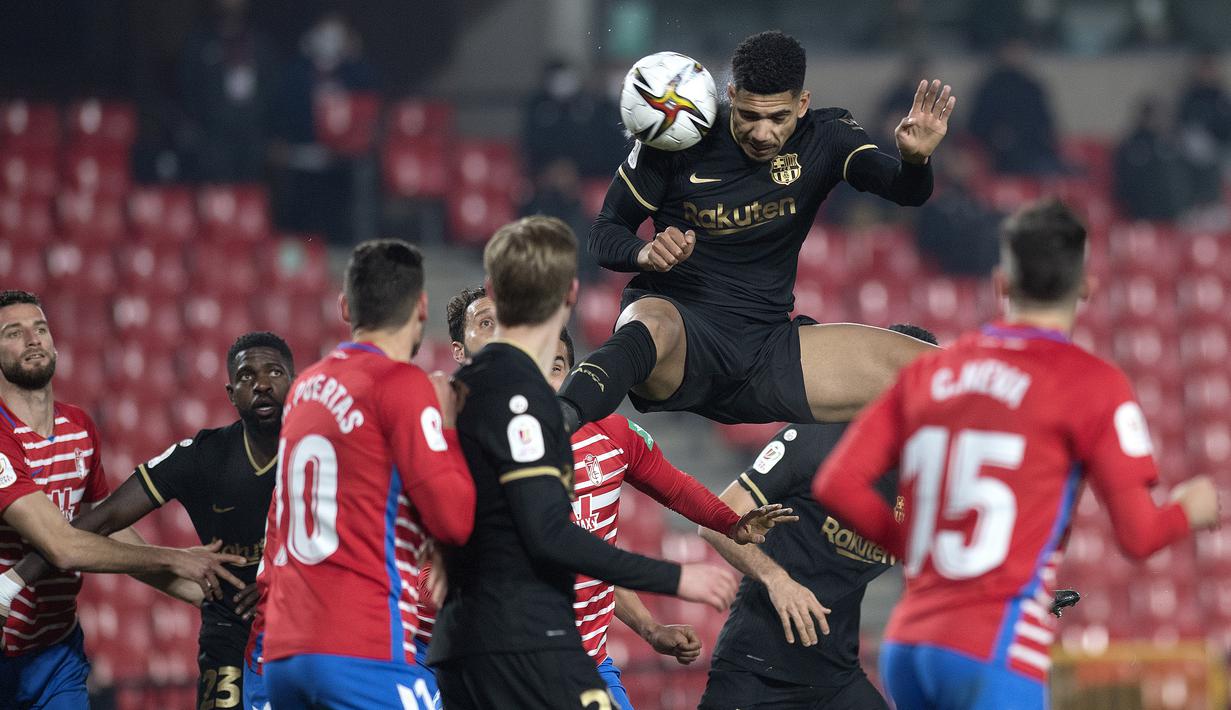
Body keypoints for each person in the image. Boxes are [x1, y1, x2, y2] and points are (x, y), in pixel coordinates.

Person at [813, 200, 1220, 709]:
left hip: (908, 645)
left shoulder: (931, 372)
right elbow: (1139, 537)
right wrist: (1191, 508)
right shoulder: (1092, 383)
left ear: (1002, 283)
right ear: (1086, 287)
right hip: (992, 647)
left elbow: (836, 483)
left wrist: (917, 548)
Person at [558, 30, 954, 434]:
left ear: (802, 104)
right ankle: (555, 422)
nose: (762, 133)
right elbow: (604, 233)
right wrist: (644, 253)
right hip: (684, 337)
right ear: (731, 94)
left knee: (935, 370)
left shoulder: (828, 137)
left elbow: (905, 192)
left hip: (768, 346)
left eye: (778, 117)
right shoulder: (679, 139)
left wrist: (916, 161)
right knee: (649, 322)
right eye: (749, 115)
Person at [429, 216, 739, 709]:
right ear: (570, 295)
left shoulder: (447, 402)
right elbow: (551, 536)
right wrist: (674, 578)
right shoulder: (514, 405)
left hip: (485, 645)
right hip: (518, 648)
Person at [4, 330, 294, 709]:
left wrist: (284, 581)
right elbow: (103, 517)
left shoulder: (324, 451)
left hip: (306, 621)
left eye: (274, 372)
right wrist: (14, 581)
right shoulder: (202, 457)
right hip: (232, 631)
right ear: (230, 393)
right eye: (245, 376)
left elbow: (357, 537)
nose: (260, 384)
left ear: (295, 382)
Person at [261, 240, 476, 709]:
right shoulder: (401, 385)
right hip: (363, 648)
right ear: (421, 306)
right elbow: (455, 519)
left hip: (283, 652)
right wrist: (451, 427)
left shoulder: (304, 387)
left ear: (345, 306)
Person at [699, 323, 937, 710]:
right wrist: (777, 579)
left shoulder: (927, 477)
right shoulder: (817, 439)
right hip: (756, 668)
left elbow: (947, 560)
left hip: (837, 679)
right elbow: (713, 520)